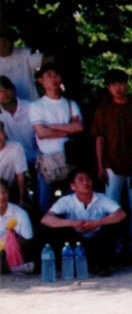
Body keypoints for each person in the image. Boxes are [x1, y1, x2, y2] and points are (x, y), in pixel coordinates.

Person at [92, 69, 132, 261]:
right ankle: (112, 249)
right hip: (111, 165)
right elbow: (99, 139)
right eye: (114, 84)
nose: (118, 88)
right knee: (111, 208)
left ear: (127, 84)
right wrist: (99, 166)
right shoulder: (103, 111)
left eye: (121, 83)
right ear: (108, 87)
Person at [40, 169, 127, 277]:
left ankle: (103, 264)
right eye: (81, 180)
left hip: (98, 239)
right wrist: (72, 223)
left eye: (88, 180)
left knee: (116, 225)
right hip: (75, 239)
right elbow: (46, 219)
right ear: (73, 186)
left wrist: (97, 223)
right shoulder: (66, 200)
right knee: (50, 227)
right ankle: (69, 263)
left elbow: (121, 214)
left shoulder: (101, 198)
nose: (85, 183)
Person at [28, 65, 83, 213]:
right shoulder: (36, 106)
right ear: (41, 80)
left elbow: (78, 128)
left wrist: (51, 126)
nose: (53, 79)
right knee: (44, 205)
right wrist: (67, 130)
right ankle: (46, 235)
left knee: (72, 204)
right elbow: (41, 133)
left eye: (56, 75)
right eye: (49, 75)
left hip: (70, 160)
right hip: (48, 162)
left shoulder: (71, 104)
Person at [0, 76, 37, 164]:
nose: (4, 94)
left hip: (39, 161)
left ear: (14, 89)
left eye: (7, 89)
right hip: (13, 165)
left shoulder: (31, 107)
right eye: (0, 91)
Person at [0, 29, 44, 102]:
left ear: (12, 40)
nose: (3, 42)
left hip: (31, 105)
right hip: (5, 110)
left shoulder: (25, 52)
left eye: (6, 39)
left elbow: (44, 60)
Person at [0, 181, 34, 274]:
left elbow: (28, 242)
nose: (1, 197)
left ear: (8, 194)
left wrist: (14, 236)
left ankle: (9, 268)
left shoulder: (20, 214)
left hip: (12, 256)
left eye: (4, 193)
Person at [0, 124, 27, 206]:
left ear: (4, 133)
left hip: (7, 191)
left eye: (0, 132)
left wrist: (21, 200)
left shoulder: (16, 148)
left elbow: (21, 178)